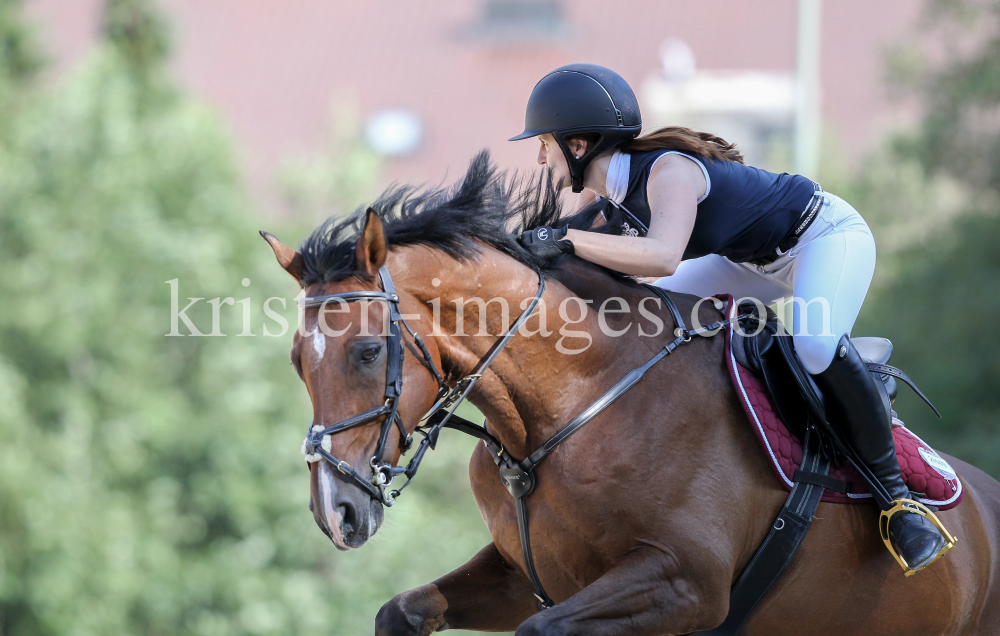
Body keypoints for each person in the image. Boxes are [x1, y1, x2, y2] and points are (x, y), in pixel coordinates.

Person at [510, 63, 948, 572]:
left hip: (824, 238)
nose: (540, 157)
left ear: (578, 144)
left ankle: (898, 501)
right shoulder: (612, 200)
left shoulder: (668, 170)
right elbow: (590, 260)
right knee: (652, 312)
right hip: (749, 263)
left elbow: (663, 257)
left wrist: (565, 240)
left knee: (812, 346)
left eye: (543, 142)